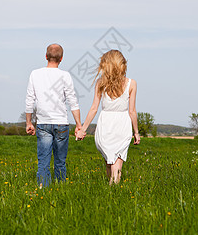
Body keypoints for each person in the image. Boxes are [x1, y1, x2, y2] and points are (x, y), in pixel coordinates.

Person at [76, 50, 140, 184]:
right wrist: (136, 132)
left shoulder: (100, 83)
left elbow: (94, 108)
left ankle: (110, 191)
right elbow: (132, 111)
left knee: (109, 162)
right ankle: (113, 193)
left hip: (105, 123)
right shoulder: (131, 83)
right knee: (117, 163)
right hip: (122, 124)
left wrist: (83, 129)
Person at [25, 43, 83, 187]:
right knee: (60, 162)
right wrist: (79, 125)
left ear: (46, 56)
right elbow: (73, 101)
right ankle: (60, 188)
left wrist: (29, 123)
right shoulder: (65, 76)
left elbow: (29, 100)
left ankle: (43, 189)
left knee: (43, 161)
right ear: (61, 59)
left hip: (43, 123)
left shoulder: (35, 74)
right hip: (61, 123)